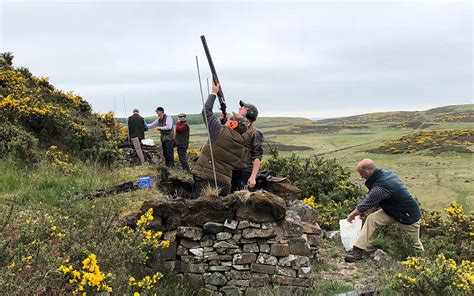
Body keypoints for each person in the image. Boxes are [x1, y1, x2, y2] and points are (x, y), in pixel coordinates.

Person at [344, 159, 424, 263]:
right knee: (372, 219)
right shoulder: (385, 173)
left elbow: (365, 204)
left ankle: (423, 265)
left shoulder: (381, 186)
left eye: (361, 174)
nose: (361, 177)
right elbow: (375, 199)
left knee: (414, 245)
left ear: (367, 172)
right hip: (392, 211)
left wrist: (351, 216)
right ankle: (358, 250)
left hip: (408, 215)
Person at [191, 81, 247, 197]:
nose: (229, 120)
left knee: (198, 212)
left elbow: (206, 112)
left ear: (233, 125)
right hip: (224, 184)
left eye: (231, 120)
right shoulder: (241, 144)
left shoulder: (219, 131)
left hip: (205, 178)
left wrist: (213, 93)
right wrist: (224, 122)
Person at [231, 100, 263, 191]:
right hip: (230, 170)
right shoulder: (234, 127)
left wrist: (253, 177)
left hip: (244, 172)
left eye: (244, 107)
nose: (240, 108)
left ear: (250, 113)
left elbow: (257, 156)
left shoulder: (255, 133)